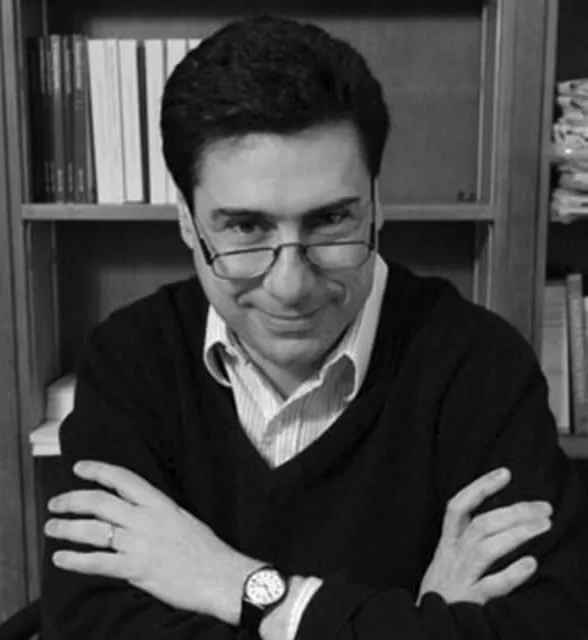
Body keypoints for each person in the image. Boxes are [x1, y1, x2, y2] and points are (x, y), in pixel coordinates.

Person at [41, 14, 588, 639]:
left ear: (377, 207)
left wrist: (240, 587)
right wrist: (417, 622)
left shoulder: (480, 366)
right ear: (188, 223)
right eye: (245, 228)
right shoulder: (131, 361)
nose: (290, 285)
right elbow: (90, 627)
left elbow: (544, 627)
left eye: (330, 221)